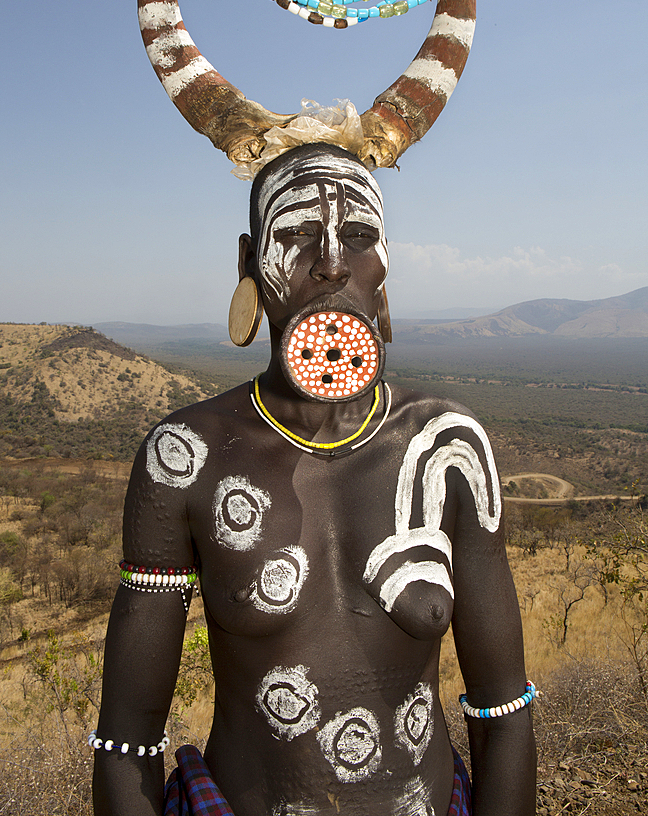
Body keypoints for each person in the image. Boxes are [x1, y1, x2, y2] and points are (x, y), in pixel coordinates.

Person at [92, 141, 536, 816]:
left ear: (384, 262)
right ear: (247, 262)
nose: (331, 263)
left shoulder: (447, 446)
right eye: (296, 234)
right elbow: (128, 742)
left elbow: (502, 712)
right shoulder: (186, 455)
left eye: (358, 236)